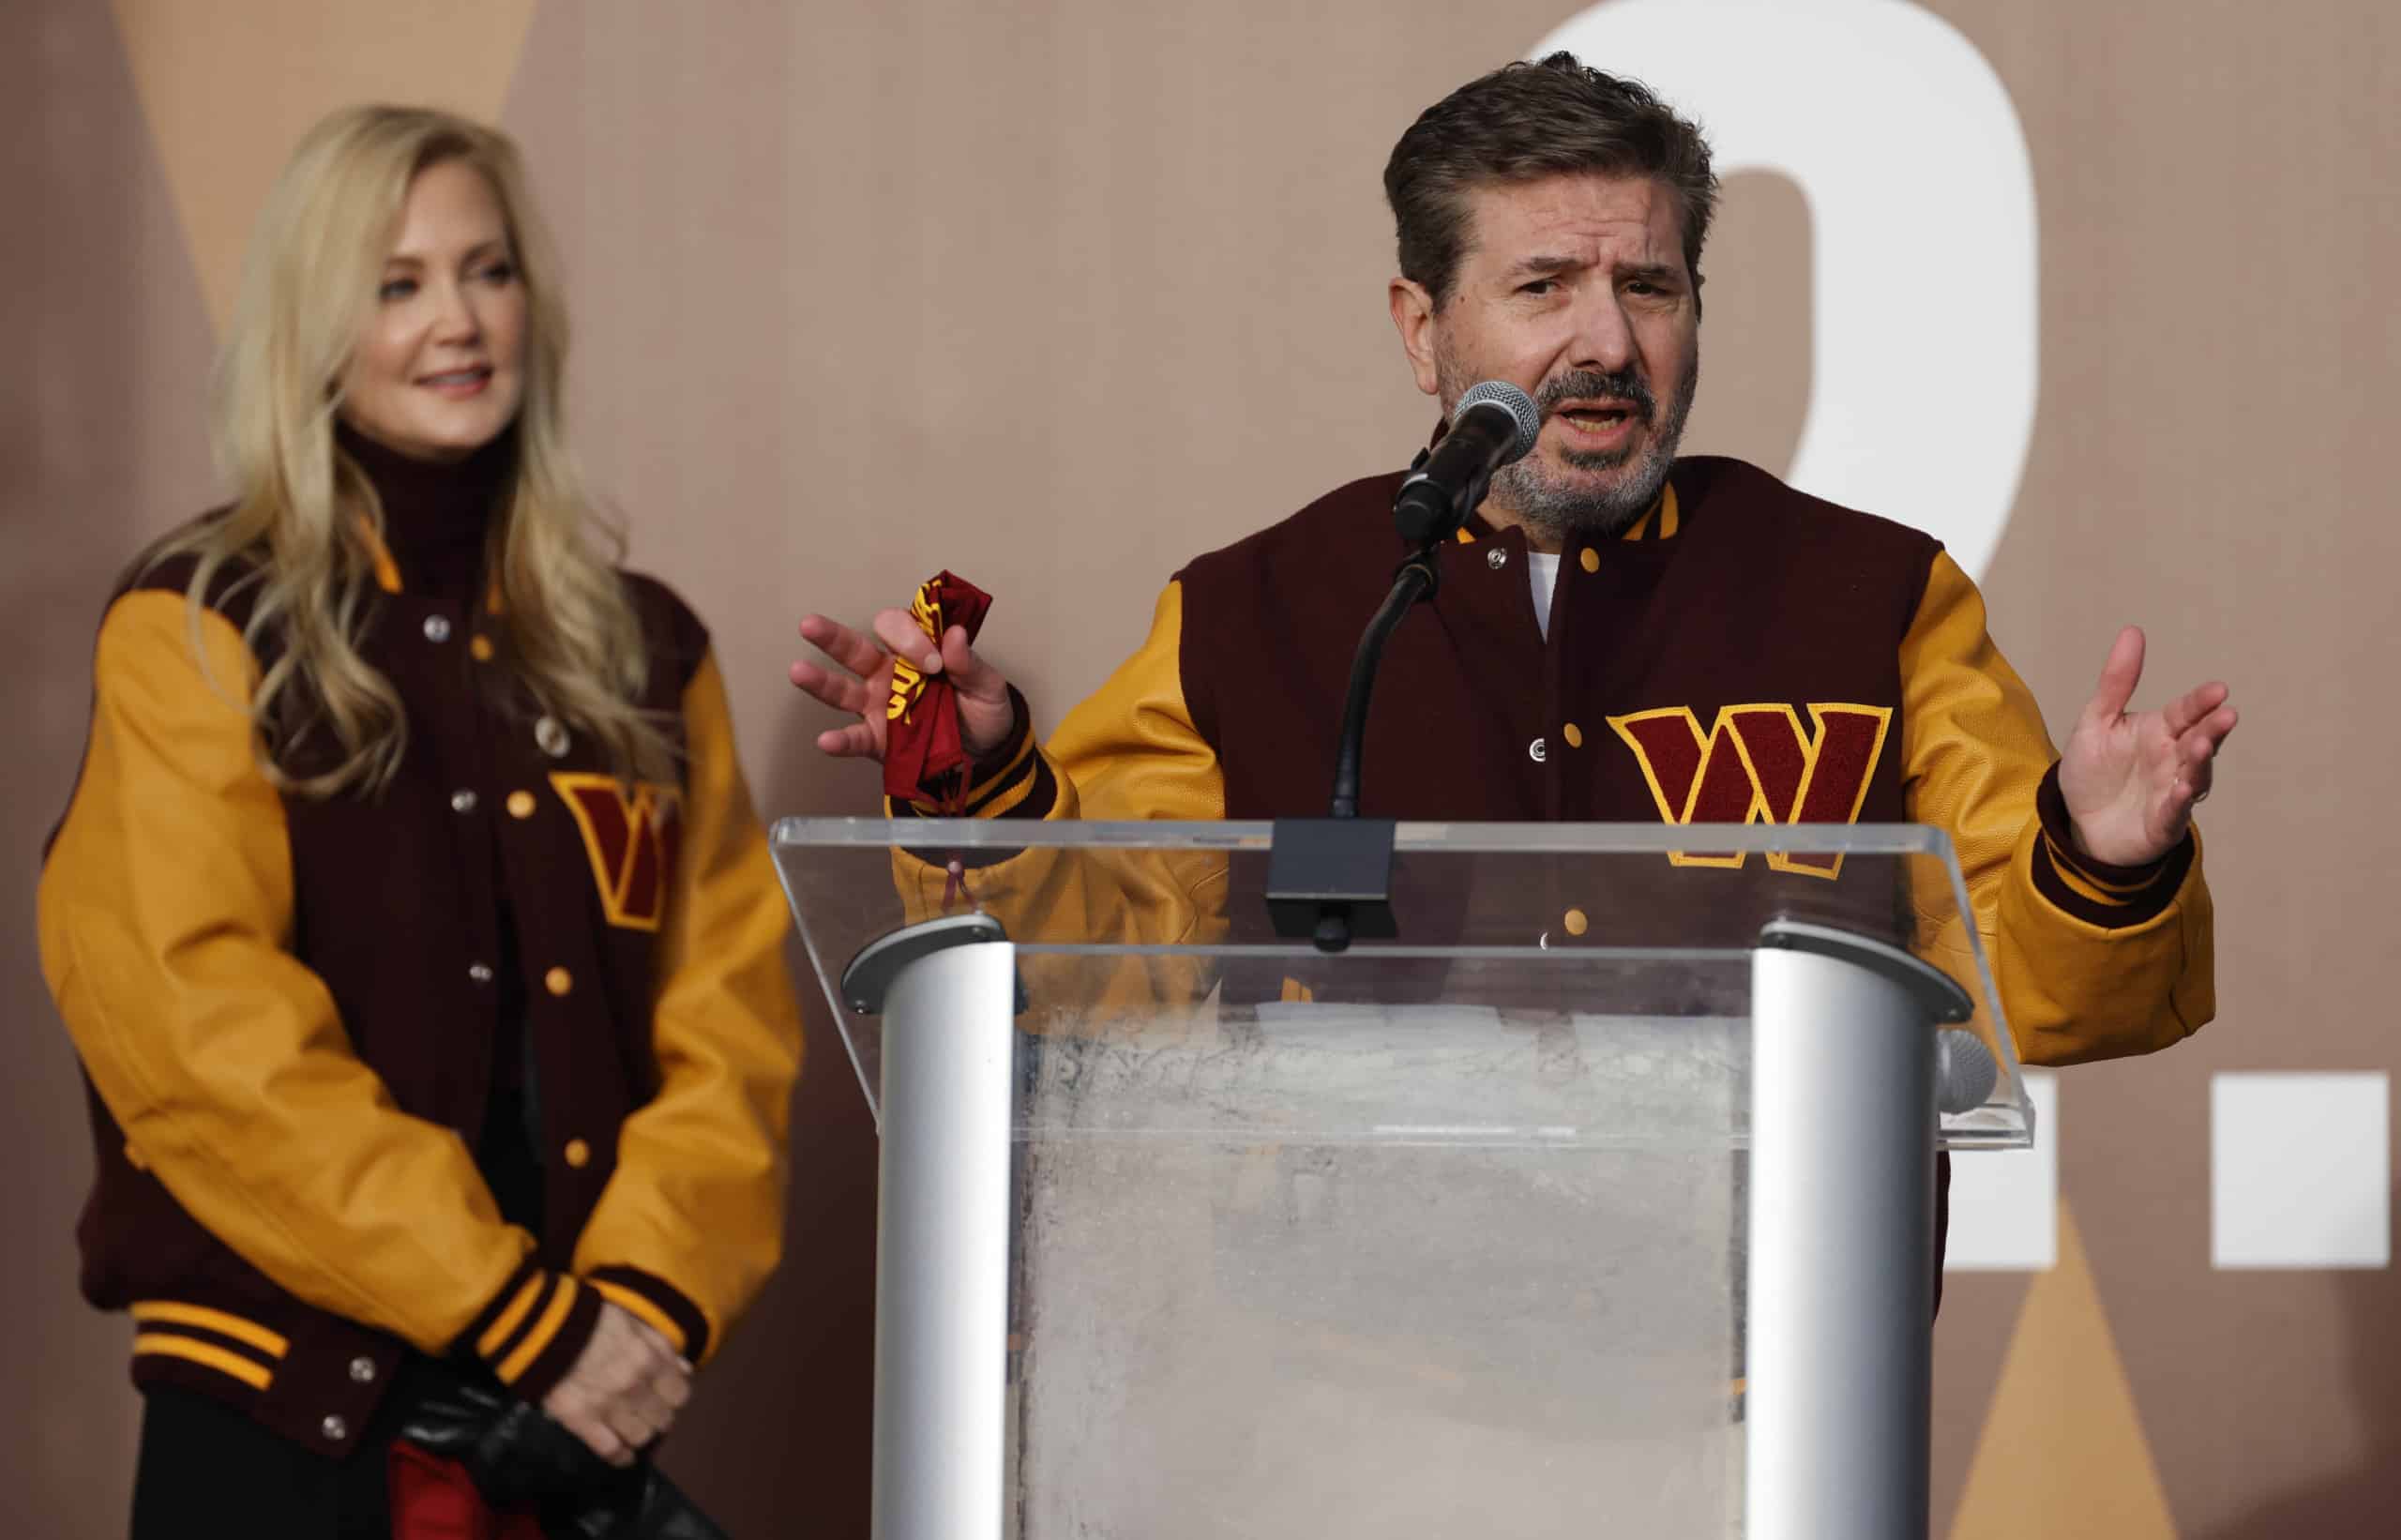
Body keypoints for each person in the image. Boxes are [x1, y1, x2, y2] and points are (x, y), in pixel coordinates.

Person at [792, 53, 2232, 1072]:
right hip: (1335, 1380)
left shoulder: (1870, 597)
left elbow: (2034, 992)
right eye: (1543, 287)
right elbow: (1115, 977)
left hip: (1754, 1388)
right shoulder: (1257, 612)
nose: (1606, 343)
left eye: (1648, 288)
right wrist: (979, 791)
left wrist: (2104, 860)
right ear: (1423, 330)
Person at [38, 106, 802, 1536]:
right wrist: (519, 1314)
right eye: (396, 284)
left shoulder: (646, 651)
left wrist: (631, 1314)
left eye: (488, 270)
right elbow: (199, 1038)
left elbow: (734, 1038)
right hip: (279, 1430)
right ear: (314, 328)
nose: (456, 320)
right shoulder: (199, 623)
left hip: (564, 1432)